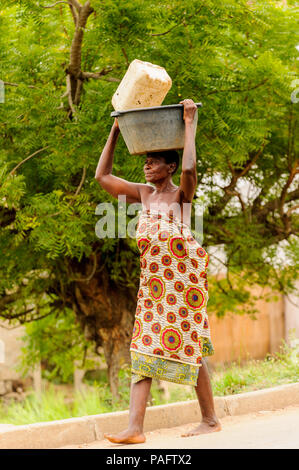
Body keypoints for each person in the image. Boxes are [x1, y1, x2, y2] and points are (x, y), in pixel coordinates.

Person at [95, 98, 221, 444]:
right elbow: (102, 177)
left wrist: (189, 124)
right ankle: (135, 428)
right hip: (153, 290)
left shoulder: (182, 197)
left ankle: (210, 420)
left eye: (154, 163)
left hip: (181, 289)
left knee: (190, 344)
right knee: (143, 347)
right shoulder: (144, 195)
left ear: (170, 166)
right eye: (146, 162)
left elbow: (191, 172)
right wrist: (117, 129)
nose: (147, 167)